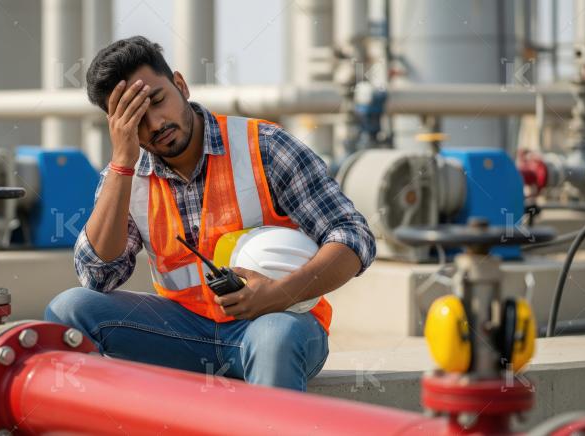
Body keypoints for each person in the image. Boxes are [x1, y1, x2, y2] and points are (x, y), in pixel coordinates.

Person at [45, 35, 376, 392]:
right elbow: (97, 277)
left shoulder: (264, 147)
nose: (155, 124)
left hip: (278, 323)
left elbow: (353, 236)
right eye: (136, 119)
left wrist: (280, 294)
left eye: (158, 100)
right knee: (68, 310)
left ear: (181, 85)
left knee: (273, 340)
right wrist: (122, 163)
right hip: (184, 334)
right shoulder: (126, 176)